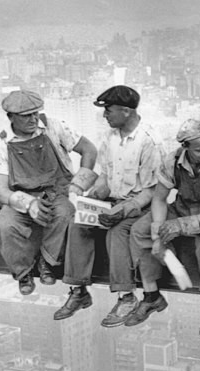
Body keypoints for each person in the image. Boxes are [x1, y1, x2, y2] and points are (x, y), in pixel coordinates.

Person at [54, 85, 160, 327]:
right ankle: (78, 290)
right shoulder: (110, 138)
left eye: (108, 110)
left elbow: (151, 191)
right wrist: (91, 199)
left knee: (118, 232)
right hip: (114, 201)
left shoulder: (149, 141)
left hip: (140, 207)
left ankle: (126, 297)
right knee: (78, 222)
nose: (105, 116)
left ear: (125, 111)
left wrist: (122, 210)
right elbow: (105, 178)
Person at [128, 118, 200, 336]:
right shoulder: (173, 160)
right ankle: (152, 295)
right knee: (140, 229)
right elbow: (159, 199)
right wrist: (158, 233)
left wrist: (182, 225)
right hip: (182, 206)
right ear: (185, 148)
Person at [0, 89, 98, 296]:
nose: (33, 119)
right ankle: (23, 272)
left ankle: (48, 262)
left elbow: (89, 150)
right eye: (25, 116)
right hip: (21, 196)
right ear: (11, 117)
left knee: (65, 215)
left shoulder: (54, 126)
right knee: (5, 226)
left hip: (57, 191)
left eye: (35, 113)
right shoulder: (1, 142)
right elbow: (1, 191)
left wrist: (77, 186)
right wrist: (29, 204)